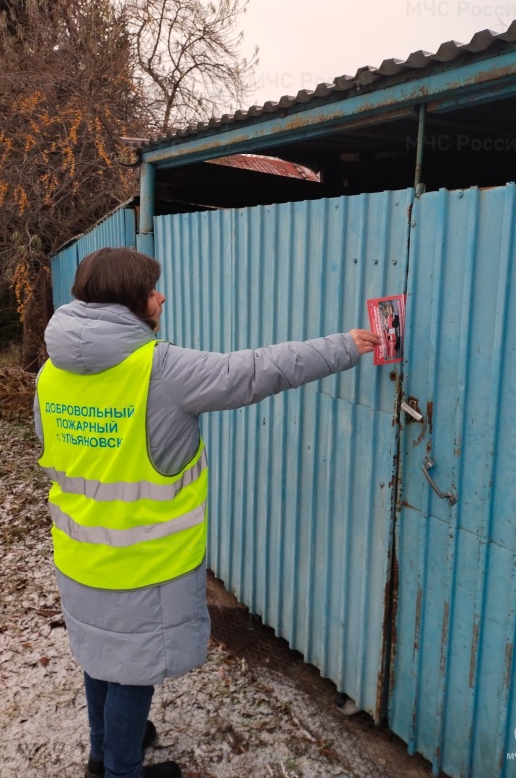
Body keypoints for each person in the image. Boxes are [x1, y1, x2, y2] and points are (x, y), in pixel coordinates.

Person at [34, 247, 380, 778]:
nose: (161, 296)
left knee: (102, 654)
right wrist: (344, 346)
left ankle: (103, 753)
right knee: (131, 670)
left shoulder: (50, 375)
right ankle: (121, 771)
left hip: (80, 553)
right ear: (129, 300)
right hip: (142, 563)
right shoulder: (161, 370)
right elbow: (255, 371)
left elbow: (53, 449)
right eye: (152, 289)